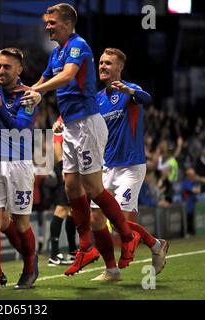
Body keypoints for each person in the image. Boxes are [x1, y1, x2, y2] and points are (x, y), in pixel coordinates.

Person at [22, 3, 139, 276]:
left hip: (87, 123)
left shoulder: (78, 45)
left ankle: (126, 234)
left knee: (94, 188)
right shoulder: (57, 52)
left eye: (52, 22)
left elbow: (67, 76)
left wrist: (37, 91)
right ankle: (86, 246)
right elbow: (47, 75)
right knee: (72, 187)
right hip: (71, 127)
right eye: (47, 22)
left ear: (66, 23)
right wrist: (28, 90)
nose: (47, 26)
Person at [89, 48, 168, 281]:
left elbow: (147, 99)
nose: (103, 66)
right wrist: (62, 124)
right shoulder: (97, 99)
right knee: (96, 220)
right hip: (106, 167)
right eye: (101, 63)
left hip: (130, 166)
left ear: (120, 67)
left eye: (108, 63)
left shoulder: (131, 91)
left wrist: (130, 89)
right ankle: (113, 269)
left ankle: (155, 244)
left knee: (120, 222)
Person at [0, 48, 41, 290]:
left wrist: (1, 106)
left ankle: (29, 267)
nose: (1, 71)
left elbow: (20, 129)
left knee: (21, 222)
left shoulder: (28, 96)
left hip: (19, 165)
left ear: (19, 70)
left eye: (7, 67)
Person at [49, 116, 77, 266]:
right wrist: (61, 167)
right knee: (62, 209)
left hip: (75, 167)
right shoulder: (62, 118)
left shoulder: (76, 116)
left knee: (72, 210)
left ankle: (73, 252)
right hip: (66, 169)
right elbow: (57, 142)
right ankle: (54, 254)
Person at [181, 167, 201, 236]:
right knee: (188, 220)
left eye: (193, 175)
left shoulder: (196, 182)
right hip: (187, 205)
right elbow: (196, 190)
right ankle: (187, 233)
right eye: (191, 175)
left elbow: (198, 190)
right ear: (188, 176)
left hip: (194, 204)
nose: (193, 177)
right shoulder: (186, 183)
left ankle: (192, 232)